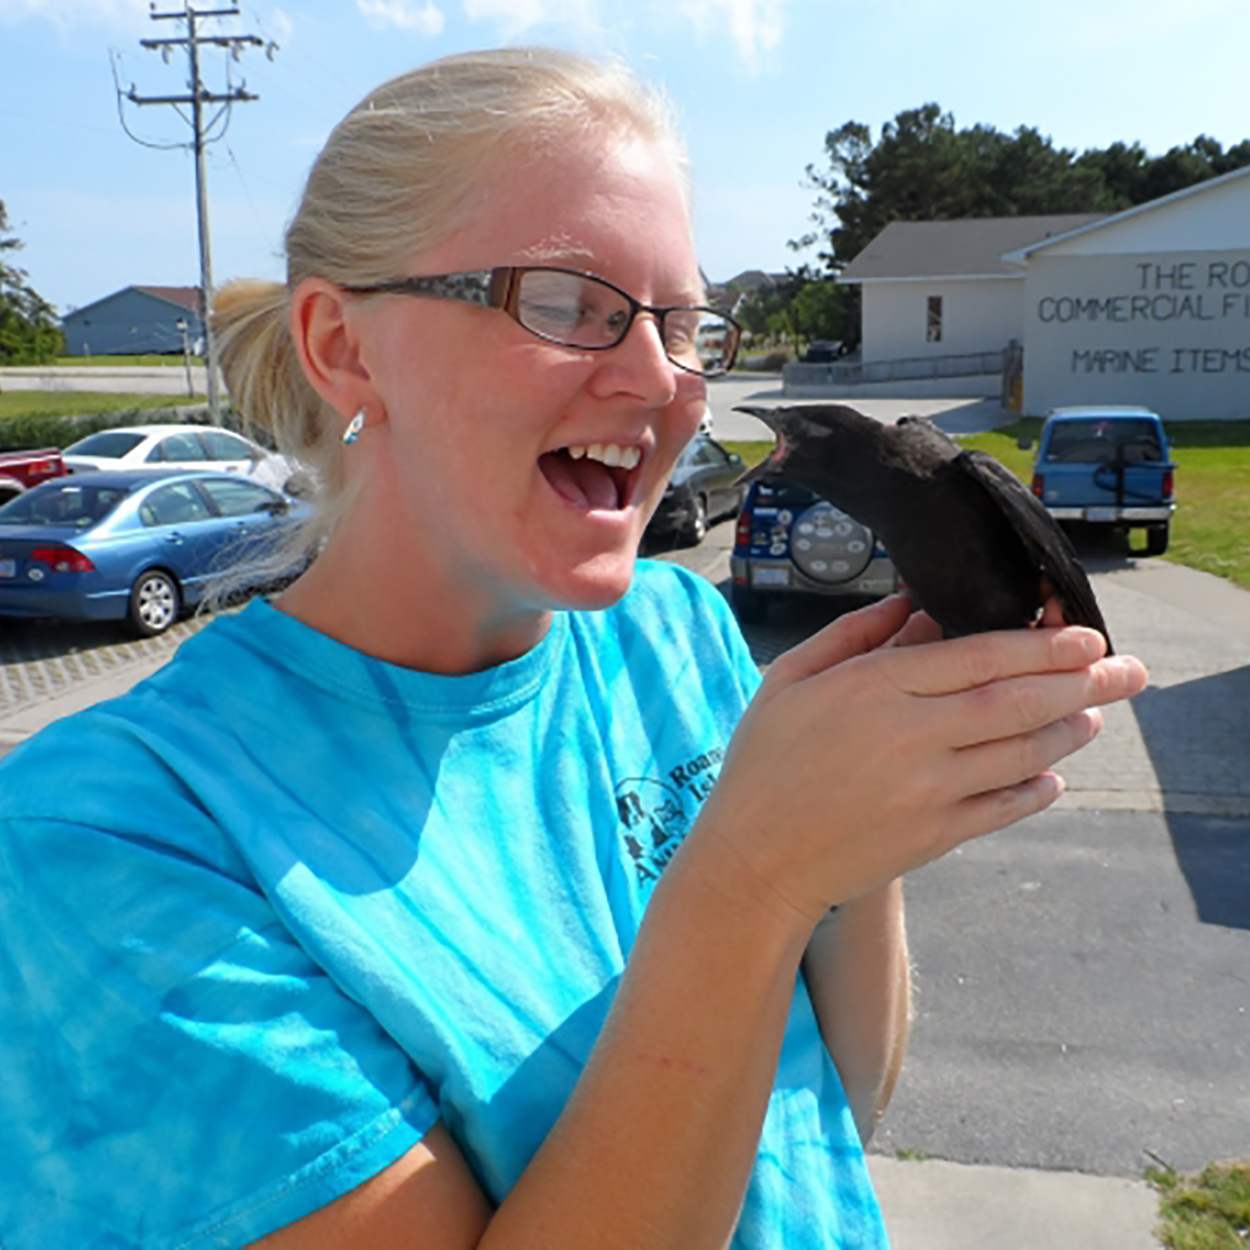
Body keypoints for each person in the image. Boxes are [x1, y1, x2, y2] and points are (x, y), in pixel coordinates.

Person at [0, 48, 1147, 1249]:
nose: (661, 378)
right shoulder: (105, 835)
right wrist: (751, 877)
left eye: (684, 321)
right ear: (343, 347)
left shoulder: (681, 636)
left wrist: (851, 831)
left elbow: (830, 1113)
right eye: (559, 301)